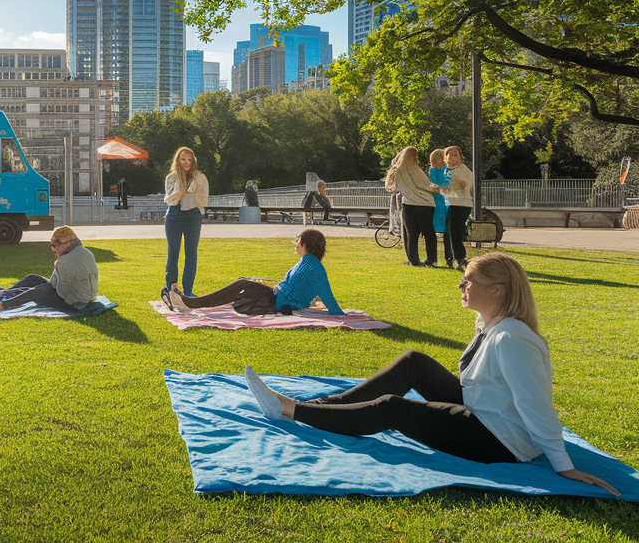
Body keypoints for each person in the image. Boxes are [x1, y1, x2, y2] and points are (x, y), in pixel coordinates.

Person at [242, 252, 621, 497]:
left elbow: (534, 403)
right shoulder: (491, 322)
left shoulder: (512, 338)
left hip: (501, 440)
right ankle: (324, 405)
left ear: (498, 289)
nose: (461, 284)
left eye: (468, 280)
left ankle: (291, 410)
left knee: (393, 408)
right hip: (485, 410)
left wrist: (563, 465)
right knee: (413, 361)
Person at [163, 228, 344, 316]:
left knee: (242, 285)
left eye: (298, 241)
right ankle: (191, 302)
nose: (295, 245)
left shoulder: (315, 268)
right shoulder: (306, 262)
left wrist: (341, 314)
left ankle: (190, 303)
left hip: (279, 303)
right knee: (242, 284)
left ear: (306, 245)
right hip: (277, 297)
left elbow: (326, 294)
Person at [0, 225, 98, 315]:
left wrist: (55, 272)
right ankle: (0, 295)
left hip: (75, 301)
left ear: (69, 243)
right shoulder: (84, 252)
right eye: (52, 245)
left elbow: (62, 291)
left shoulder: (67, 261)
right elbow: (56, 283)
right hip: (85, 295)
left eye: (56, 245)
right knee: (33, 278)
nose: (53, 249)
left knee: (36, 292)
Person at [385, 146, 443, 267]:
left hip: (408, 204)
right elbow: (424, 185)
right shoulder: (413, 168)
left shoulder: (396, 170)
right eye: (415, 155)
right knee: (429, 233)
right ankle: (431, 259)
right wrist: (439, 188)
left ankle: (413, 260)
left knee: (410, 234)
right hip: (424, 204)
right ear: (412, 156)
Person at [164, 147, 209, 295]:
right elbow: (169, 198)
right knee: (173, 252)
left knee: (191, 253)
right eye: (183, 159)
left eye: (189, 160)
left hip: (193, 215)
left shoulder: (200, 177)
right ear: (178, 160)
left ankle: (188, 292)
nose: (186, 162)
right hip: (174, 215)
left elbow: (203, 197)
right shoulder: (171, 177)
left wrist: (193, 197)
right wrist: (181, 192)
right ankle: (172, 291)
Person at [443, 146, 475, 270]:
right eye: (449, 155)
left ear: (461, 158)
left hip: (461, 204)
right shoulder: (446, 170)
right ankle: (449, 259)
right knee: (447, 233)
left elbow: (466, 184)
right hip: (448, 203)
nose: (451, 157)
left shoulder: (463, 170)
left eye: (454, 155)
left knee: (454, 232)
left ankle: (460, 258)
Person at [428, 149, 452, 237]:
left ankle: (442, 228)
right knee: (439, 212)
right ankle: (440, 228)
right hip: (438, 195)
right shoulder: (434, 171)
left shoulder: (442, 170)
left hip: (442, 195)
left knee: (443, 212)